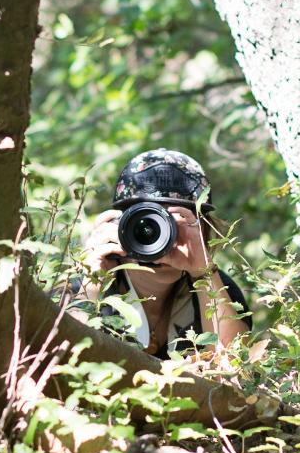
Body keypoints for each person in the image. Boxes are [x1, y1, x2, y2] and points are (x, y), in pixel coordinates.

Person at [74, 149, 250, 358]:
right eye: (147, 223)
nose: (162, 241)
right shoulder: (78, 287)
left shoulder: (220, 289)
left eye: (177, 225)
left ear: (203, 231)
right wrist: (91, 284)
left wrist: (204, 274)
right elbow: (56, 361)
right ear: (120, 226)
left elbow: (234, 365)